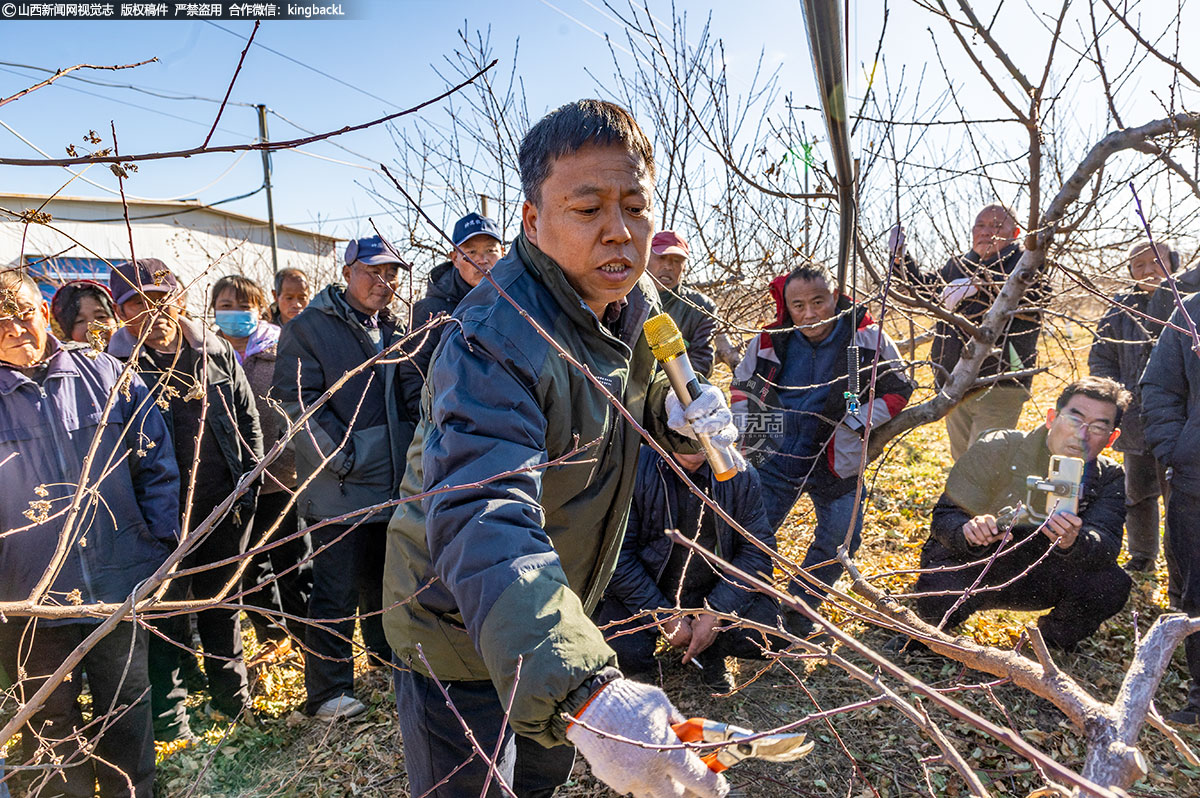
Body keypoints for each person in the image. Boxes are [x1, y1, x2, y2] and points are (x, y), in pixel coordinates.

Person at [383, 99, 736, 798]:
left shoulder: (635, 307)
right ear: (533, 220)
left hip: (558, 607)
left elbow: (607, 424)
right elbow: (483, 513)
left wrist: (677, 425)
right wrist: (584, 690)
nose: (620, 233)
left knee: (541, 778)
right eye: (588, 209)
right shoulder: (494, 336)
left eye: (635, 207)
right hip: (457, 628)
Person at [0, 267, 179, 798]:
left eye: (24, 313)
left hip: (116, 582)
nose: (14, 328)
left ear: (44, 311)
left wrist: (159, 547)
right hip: (28, 598)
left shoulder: (103, 373)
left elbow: (156, 463)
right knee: (48, 726)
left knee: (127, 708)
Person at [108, 258, 263, 742]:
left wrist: (249, 481)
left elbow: (248, 417)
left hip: (222, 508)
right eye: (138, 303)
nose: (153, 312)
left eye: (161, 298)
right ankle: (171, 720)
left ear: (178, 298)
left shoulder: (212, 351)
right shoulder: (113, 369)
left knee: (223, 608)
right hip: (158, 521)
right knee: (165, 619)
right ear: (121, 312)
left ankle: (232, 704)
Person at [272, 235, 417, 720]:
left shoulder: (395, 328)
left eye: (393, 273)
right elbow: (298, 404)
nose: (384, 282)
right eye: (373, 271)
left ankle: (382, 665)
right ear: (347, 271)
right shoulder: (310, 328)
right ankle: (328, 692)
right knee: (333, 590)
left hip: (393, 483)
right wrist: (343, 458)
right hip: (341, 486)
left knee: (384, 583)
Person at [731, 263, 914, 634]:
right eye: (799, 305)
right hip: (775, 452)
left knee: (840, 538)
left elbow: (898, 389)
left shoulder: (864, 339)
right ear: (787, 306)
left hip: (837, 454)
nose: (810, 314)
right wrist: (745, 429)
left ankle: (800, 609)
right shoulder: (771, 340)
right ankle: (745, 608)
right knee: (751, 535)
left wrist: (854, 419)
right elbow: (742, 388)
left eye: (818, 301)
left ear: (835, 297)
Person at [908, 377, 1132, 651]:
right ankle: (933, 630)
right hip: (984, 562)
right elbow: (945, 515)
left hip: (1048, 571)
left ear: (1111, 438)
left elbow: (1106, 542)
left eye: (1098, 427)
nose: (1081, 434)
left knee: (1110, 584)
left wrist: (1075, 541)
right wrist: (968, 531)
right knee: (939, 590)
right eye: (1074, 419)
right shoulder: (998, 447)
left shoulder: (1108, 476)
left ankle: (1050, 644)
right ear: (1052, 417)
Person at [594, 446, 783, 689]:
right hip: (648, 588)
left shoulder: (739, 473)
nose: (692, 443)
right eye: (683, 434)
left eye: (700, 432)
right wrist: (662, 615)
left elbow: (757, 553)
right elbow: (616, 557)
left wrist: (716, 613)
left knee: (771, 632)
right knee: (622, 647)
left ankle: (710, 651)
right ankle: (639, 671)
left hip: (711, 589)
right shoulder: (635, 467)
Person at [211, 274, 312, 659]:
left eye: (244, 306)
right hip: (231, 484)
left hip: (282, 478)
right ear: (214, 311)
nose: (235, 314)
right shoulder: (206, 353)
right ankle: (272, 635)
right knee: (248, 570)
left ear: (261, 308)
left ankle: (307, 639)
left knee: (293, 565)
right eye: (226, 306)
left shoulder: (281, 346)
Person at [894, 205, 1046, 460]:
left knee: (984, 461)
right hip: (955, 380)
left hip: (1000, 385)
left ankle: (988, 500)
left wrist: (982, 285)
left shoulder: (1027, 266)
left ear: (1016, 232)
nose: (986, 232)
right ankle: (960, 501)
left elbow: (1035, 299)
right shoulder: (957, 266)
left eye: (997, 226)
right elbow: (921, 289)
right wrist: (900, 258)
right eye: (980, 225)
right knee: (961, 458)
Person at [1088, 242, 1179, 573]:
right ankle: (1143, 556)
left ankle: (1181, 563)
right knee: (1137, 494)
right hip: (1136, 419)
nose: (1148, 270)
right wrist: (1115, 397)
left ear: (1174, 264)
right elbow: (1101, 358)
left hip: (1180, 421)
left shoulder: (1185, 303)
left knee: (1181, 496)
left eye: (1156, 261)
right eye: (1138, 265)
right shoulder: (1120, 308)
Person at [1141, 291, 1200, 725]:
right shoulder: (1191, 309)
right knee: (1197, 589)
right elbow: (1160, 387)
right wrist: (1178, 450)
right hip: (1196, 479)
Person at [398, 211, 505, 419]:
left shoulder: (517, 303)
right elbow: (413, 379)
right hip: (451, 429)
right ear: (454, 258)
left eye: (490, 251)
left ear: (503, 253)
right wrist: (439, 423)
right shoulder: (430, 312)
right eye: (471, 252)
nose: (482, 260)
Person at [647, 229, 719, 377]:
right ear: (646, 258)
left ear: (684, 266)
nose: (668, 266)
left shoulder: (701, 308)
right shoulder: (624, 297)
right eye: (662, 257)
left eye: (676, 261)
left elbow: (702, 363)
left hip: (673, 391)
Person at [49, 278, 118, 347]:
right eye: (80, 321)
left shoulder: (128, 351)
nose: (93, 328)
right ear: (63, 331)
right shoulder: (60, 357)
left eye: (101, 316)